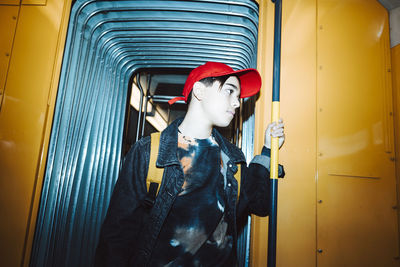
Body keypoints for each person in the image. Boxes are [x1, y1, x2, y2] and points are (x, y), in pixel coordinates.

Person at [95, 62, 285, 267]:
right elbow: (117, 235)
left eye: (237, 96)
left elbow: (260, 204)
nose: (237, 103)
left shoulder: (232, 157)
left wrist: (267, 150)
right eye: (230, 91)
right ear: (199, 91)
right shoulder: (149, 152)